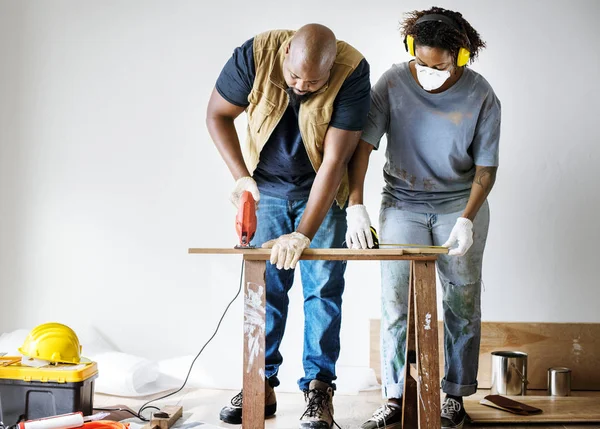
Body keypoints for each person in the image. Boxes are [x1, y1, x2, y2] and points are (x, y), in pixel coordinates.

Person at [206, 23, 371, 428]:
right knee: (265, 294)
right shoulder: (254, 55)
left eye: (313, 81)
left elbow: (334, 161)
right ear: (283, 56)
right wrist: (241, 178)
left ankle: (319, 390)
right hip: (268, 190)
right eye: (294, 76)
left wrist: (304, 233)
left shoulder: (353, 71)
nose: (300, 85)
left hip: (323, 192)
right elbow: (217, 115)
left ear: (331, 69)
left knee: (323, 292)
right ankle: (259, 386)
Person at [344, 7, 501, 429]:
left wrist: (467, 218)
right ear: (412, 49)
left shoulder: (481, 94)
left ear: (461, 57)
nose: (429, 72)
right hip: (402, 202)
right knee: (395, 303)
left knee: (462, 302)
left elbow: (486, 168)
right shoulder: (393, 83)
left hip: (459, 205)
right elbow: (363, 147)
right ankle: (395, 397)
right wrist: (354, 203)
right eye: (422, 62)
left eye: (440, 65)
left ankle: (454, 396)